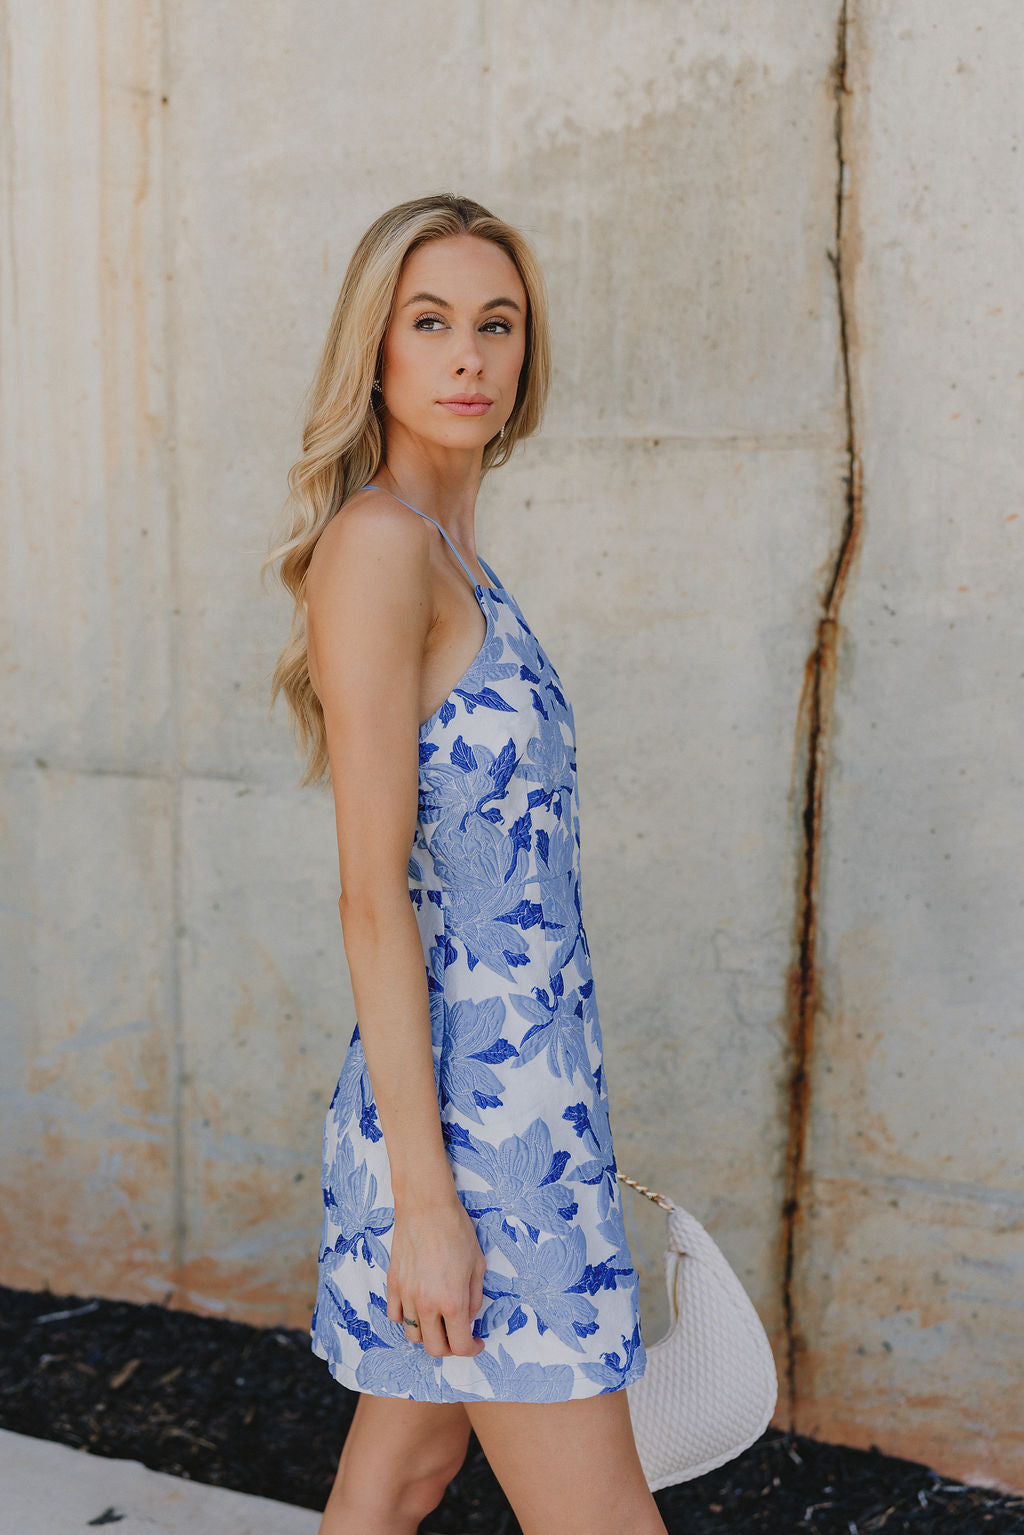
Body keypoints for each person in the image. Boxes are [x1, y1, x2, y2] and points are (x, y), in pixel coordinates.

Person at [265, 193, 668, 1535]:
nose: (469, 358)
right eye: (429, 323)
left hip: (527, 1105)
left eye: (497, 325)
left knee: (402, 1478)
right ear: (372, 353)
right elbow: (369, 896)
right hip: (475, 1147)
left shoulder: (456, 559)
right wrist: (432, 1209)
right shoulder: (379, 551)